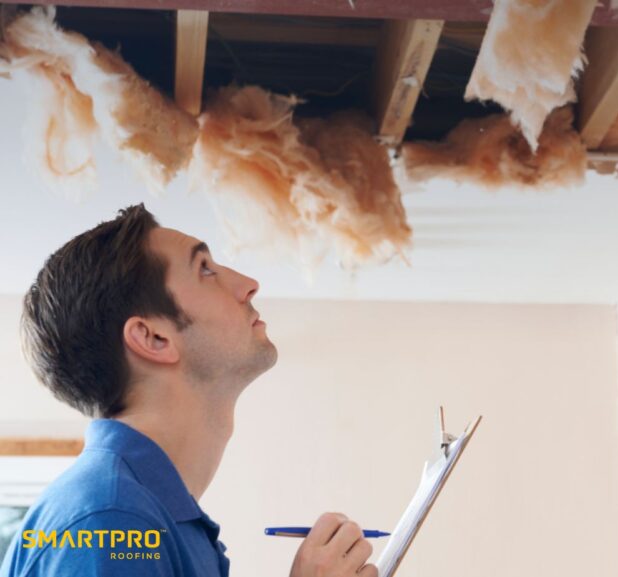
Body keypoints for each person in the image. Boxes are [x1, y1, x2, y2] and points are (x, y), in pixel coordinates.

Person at [1, 205, 377, 577]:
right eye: (205, 269)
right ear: (153, 338)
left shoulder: (144, 519)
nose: (248, 284)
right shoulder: (113, 522)